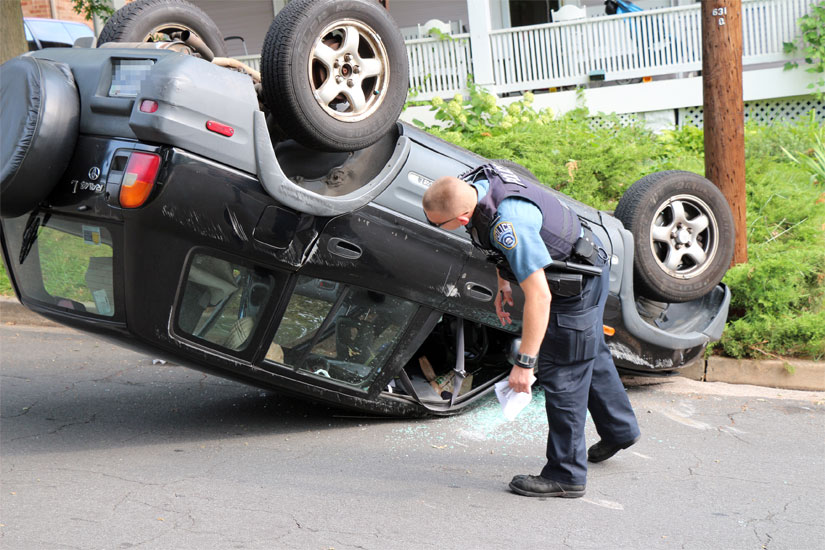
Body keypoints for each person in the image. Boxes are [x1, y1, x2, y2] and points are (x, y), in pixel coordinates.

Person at [422, 162, 640, 498]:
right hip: (583, 260)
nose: (439, 228)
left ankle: (565, 475)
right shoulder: (474, 185)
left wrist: (525, 363)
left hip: (576, 283)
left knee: (564, 371)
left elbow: (540, 296)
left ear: (461, 218)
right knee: (588, 351)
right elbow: (491, 240)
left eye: (440, 225)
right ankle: (619, 429)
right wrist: (504, 282)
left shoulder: (512, 224)